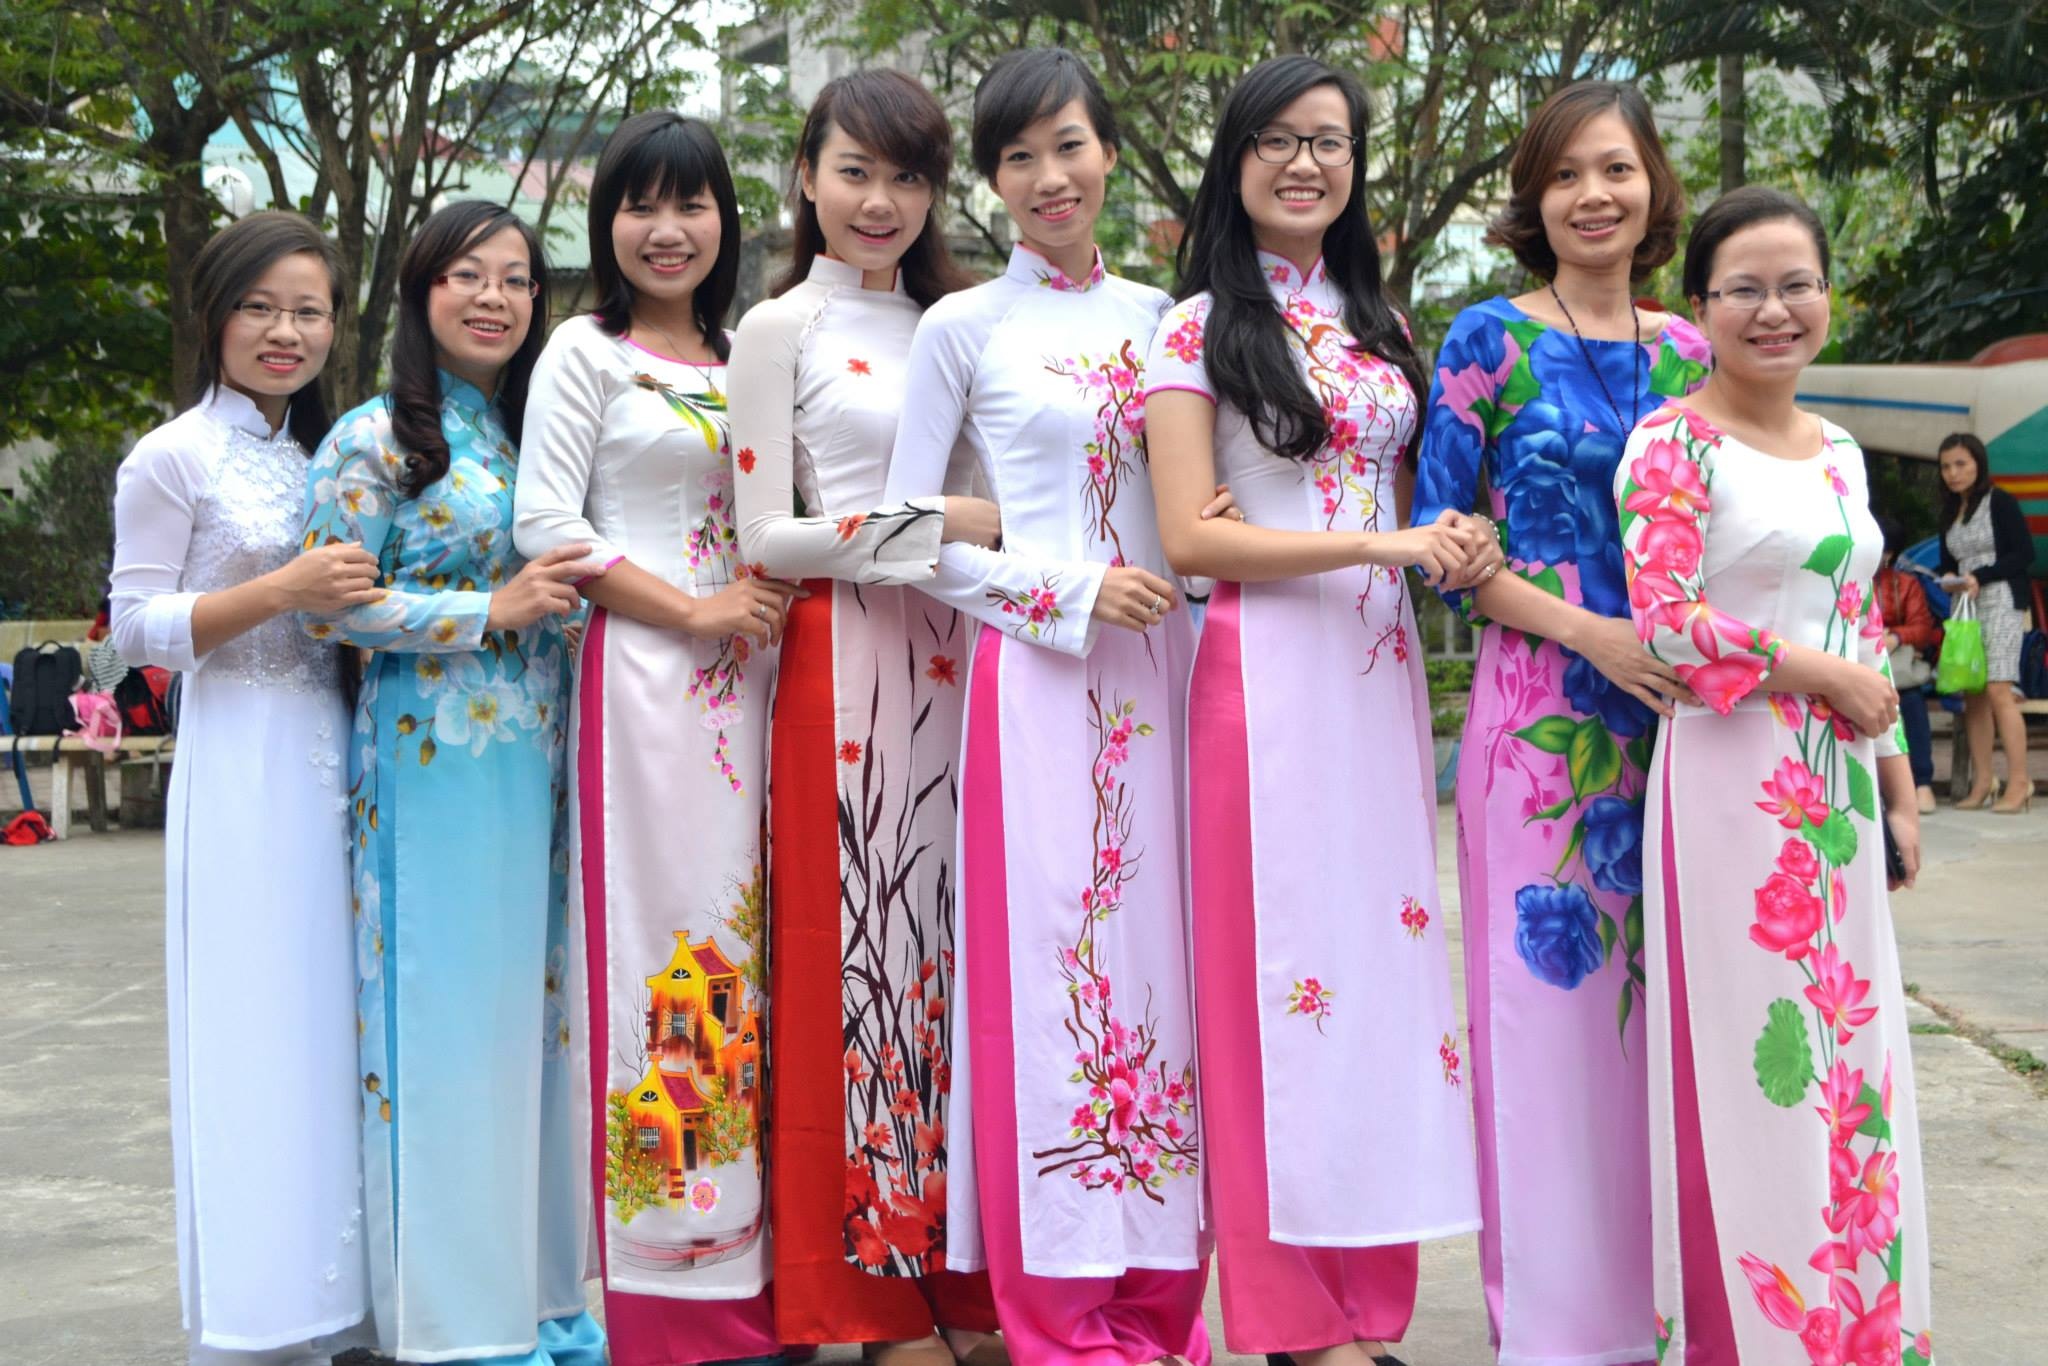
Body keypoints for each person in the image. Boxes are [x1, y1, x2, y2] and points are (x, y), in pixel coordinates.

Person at [1141, 55, 1489, 1366]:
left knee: (1378, 984)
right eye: (1278, 139)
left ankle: (1363, 1301)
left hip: (1375, 684)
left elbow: (1398, 504)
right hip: (1262, 684)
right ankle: (1291, 1320)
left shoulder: (1376, 319)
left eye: (1329, 141)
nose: (1305, 163)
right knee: (1271, 992)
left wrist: (1440, 540)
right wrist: (1384, 547)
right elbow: (1191, 539)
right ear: (1234, 160)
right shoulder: (1191, 329)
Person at [882, 46, 1209, 1366]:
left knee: (1164, 971)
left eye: (1067, 145)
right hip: (1038, 682)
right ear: (992, 180)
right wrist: (1069, 592)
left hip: (1167, 678)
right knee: (1057, 970)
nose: (1047, 177)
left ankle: (1159, 1304)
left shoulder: (1170, 319)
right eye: (1016, 158)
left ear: (1108, 153)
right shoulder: (963, 328)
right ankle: (1061, 1314)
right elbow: (902, 537)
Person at [1409, 80, 1712, 1364]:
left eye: (1616, 169)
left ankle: (1673, 1311)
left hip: (1686, 729)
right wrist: (1591, 633)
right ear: (1532, 200)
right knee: (1547, 1020)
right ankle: (1555, 1329)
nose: (1594, 195)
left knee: (1671, 1020)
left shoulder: (1693, 349)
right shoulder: (1486, 339)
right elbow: (1442, 547)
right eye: (1565, 174)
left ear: (1652, 186)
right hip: (1543, 725)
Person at [1614, 183, 1933, 1364]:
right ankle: (1740, 1334)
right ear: (1698, 307)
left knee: (1849, 1056)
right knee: (1752, 1063)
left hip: (1837, 789)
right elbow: (1665, 621)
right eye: (1741, 289)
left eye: (1795, 285)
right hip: (1729, 784)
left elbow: (1860, 625)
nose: (1772, 310)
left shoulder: (1838, 448)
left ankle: (1851, 1330)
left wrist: (1895, 785)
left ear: (1825, 298)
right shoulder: (1671, 443)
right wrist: (1820, 677)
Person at [722, 73, 1007, 1366]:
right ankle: (876, 1303)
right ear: (806, 176)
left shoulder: (965, 322)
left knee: (960, 958)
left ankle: (974, 1281)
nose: (879, 200)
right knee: (862, 965)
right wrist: (931, 525)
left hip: (973, 656)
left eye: (907, 176)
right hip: (846, 664)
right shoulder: (777, 326)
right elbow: (765, 535)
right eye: (854, 170)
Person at [514, 109, 798, 1366]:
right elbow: (546, 526)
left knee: (761, 956)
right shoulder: (584, 352)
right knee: (663, 950)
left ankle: (765, 1277)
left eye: (691, 204)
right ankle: (674, 1297)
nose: (667, 229)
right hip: (644, 686)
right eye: (641, 205)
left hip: (762, 680)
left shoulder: (755, 355)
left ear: (727, 221)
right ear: (607, 223)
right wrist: (692, 611)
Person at [301, 200, 604, 1366]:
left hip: (540, 754)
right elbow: (326, 604)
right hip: (429, 763)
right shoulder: (373, 440)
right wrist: (490, 608)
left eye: (517, 279)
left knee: (531, 1029)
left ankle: (540, 1301)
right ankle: (452, 1323)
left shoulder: (533, 437)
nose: (494, 297)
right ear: (421, 291)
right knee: (442, 1024)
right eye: (468, 275)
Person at [110, 211, 374, 1366]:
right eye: (260, 307)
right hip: (240, 765)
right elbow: (132, 628)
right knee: (256, 1025)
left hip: (336, 752)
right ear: (214, 314)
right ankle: (264, 1317)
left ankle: (345, 1300)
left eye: (307, 310)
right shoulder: (173, 455)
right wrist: (280, 590)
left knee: (333, 1024)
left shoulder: (326, 457)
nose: (284, 331)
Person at [1937, 432, 2037, 812]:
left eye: (1961, 464)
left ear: (1978, 464)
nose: (1953, 473)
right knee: (1973, 693)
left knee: (1998, 690)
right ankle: (1982, 782)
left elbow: (2023, 554)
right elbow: (1948, 561)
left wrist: (1982, 575)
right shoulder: (1950, 511)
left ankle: (2019, 782)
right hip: (1965, 605)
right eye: (1946, 466)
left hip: (2002, 600)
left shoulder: (2000, 502)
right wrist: (1950, 578)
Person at [1875, 515, 1942, 813]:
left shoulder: (1906, 584)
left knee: (1912, 701)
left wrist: (1895, 637)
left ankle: (1922, 782)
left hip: (1896, 665)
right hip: (1858, 664)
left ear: (1888, 553)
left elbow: (1923, 628)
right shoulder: (1847, 579)